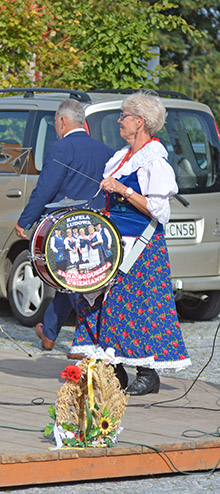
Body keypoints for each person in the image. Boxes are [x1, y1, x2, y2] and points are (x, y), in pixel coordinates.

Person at [69, 91, 191, 395]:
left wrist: (123, 189)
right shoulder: (123, 156)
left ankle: (148, 374)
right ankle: (115, 370)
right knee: (100, 303)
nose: (119, 121)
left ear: (140, 122)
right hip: (113, 242)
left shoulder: (154, 161)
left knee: (135, 308)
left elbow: (159, 211)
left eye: (124, 116)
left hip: (141, 246)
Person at [14, 99, 114, 351]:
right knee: (70, 280)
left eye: (56, 123)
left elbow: (46, 188)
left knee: (73, 282)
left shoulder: (60, 148)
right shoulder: (105, 151)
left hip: (66, 227)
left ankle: (90, 341)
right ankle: (49, 333)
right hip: (96, 225)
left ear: (62, 120)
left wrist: (26, 220)